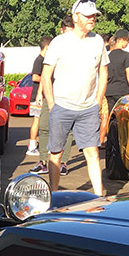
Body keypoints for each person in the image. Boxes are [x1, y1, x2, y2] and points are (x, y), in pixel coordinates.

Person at [41, 0, 109, 195]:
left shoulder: (97, 41)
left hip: (88, 109)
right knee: (56, 153)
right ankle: (54, 196)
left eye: (94, 15)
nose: (92, 19)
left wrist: (97, 102)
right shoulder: (59, 42)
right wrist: (52, 104)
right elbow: (46, 75)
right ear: (75, 16)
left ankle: (98, 196)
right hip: (62, 107)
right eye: (88, 15)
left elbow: (103, 72)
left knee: (92, 152)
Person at [32, 20, 76, 175]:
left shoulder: (79, 48)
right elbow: (45, 73)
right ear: (62, 30)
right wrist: (39, 93)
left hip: (69, 95)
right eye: (67, 31)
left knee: (67, 130)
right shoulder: (55, 46)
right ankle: (43, 161)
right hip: (50, 93)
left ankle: (63, 163)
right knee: (44, 127)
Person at [25, 35, 52, 156]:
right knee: (37, 121)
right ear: (47, 47)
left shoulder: (44, 60)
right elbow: (35, 77)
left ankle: (42, 145)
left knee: (44, 121)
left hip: (42, 96)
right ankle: (32, 146)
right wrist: (47, 78)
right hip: (37, 97)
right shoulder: (39, 60)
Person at [105, 29, 129, 113]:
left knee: (111, 115)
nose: (128, 43)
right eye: (127, 40)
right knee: (122, 116)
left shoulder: (108, 56)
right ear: (121, 40)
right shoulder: (126, 55)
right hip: (122, 91)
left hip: (109, 91)